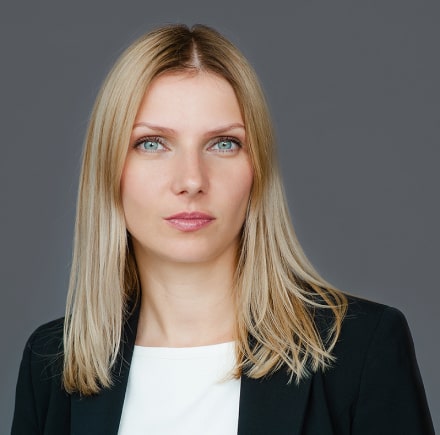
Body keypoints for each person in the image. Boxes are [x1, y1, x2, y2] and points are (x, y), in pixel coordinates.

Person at [11, 24, 434, 435]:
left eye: (223, 144)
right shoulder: (51, 363)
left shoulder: (362, 348)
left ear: (257, 169)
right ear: (108, 168)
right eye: (152, 143)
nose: (191, 180)